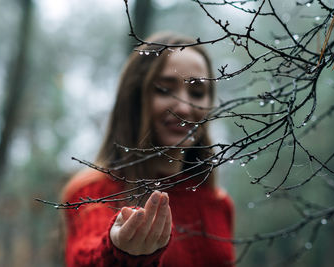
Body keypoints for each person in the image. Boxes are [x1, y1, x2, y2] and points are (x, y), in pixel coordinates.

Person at [62, 32, 235, 267]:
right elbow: (85, 254)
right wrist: (119, 251)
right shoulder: (92, 190)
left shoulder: (218, 202)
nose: (184, 107)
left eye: (197, 93)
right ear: (134, 98)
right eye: (164, 89)